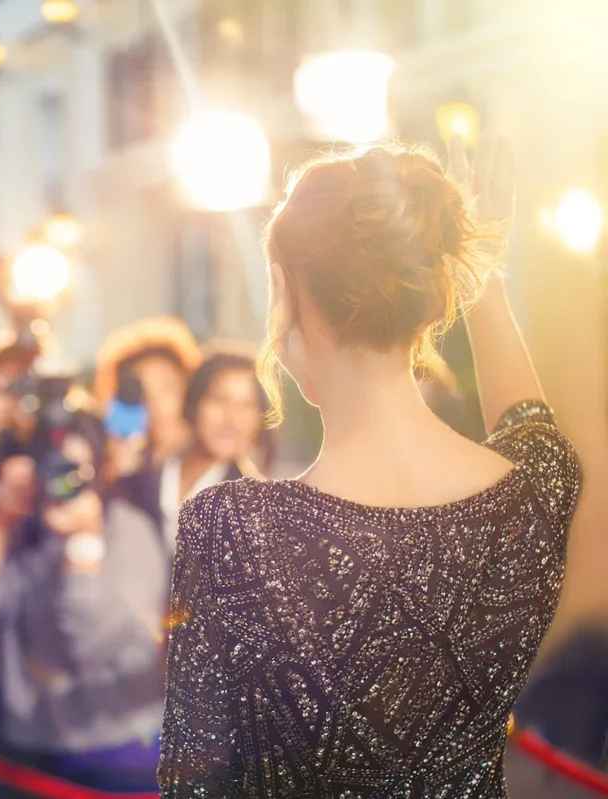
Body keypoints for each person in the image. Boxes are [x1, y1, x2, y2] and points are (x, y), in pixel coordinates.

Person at [158, 136, 582, 797]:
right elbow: (531, 426)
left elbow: (196, 784)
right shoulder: (531, 497)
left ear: (285, 292)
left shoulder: (231, 530)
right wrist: (483, 274)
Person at [0, 409, 170, 794]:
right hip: (33, 743)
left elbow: (92, 647)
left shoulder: (128, 530)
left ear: (100, 472)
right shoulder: (23, 529)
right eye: (52, 466)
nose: (61, 481)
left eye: (75, 469)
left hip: (118, 745)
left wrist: (83, 546)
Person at [115, 344, 274, 552]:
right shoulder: (143, 479)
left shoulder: (256, 507)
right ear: (195, 402)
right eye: (219, 400)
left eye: (247, 406)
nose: (232, 419)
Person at [93, 317, 203, 481]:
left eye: (167, 387)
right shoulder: (114, 460)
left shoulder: (211, 457)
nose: (155, 403)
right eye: (142, 392)